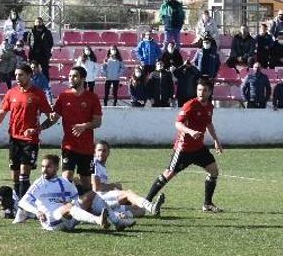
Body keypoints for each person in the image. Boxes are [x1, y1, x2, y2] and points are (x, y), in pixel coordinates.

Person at [144, 77, 224, 213]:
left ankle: (207, 204)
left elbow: (209, 123)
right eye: (199, 90)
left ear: (210, 92)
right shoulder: (190, 105)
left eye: (204, 90)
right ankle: (145, 201)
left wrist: (216, 140)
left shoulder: (210, 106)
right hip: (184, 149)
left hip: (199, 149)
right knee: (168, 174)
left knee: (214, 171)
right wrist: (190, 131)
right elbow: (178, 124)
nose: (201, 93)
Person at [0, 63, 54, 204]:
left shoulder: (38, 93)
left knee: (24, 173)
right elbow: (2, 113)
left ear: (29, 75)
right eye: (16, 75)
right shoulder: (12, 93)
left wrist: (36, 130)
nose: (17, 77)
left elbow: (51, 117)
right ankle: (17, 202)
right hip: (14, 139)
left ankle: (24, 206)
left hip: (30, 140)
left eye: (21, 75)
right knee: (15, 175)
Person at [12, 154, 113, 231]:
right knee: (69, 207)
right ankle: (98, 220)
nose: (44, 170)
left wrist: (73, 203)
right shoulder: (39, 184)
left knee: (91, 195)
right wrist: (37, 212)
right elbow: (23, 202)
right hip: (51, 221)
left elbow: (75, 199)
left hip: (69, 219)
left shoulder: (65, 182)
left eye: (48, 167)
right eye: (42, 167)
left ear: (56, 168)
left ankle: (118, 220)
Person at [49, 65, 103, 188]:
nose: (71, 79)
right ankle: (67, 206)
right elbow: (54, 118)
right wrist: (39, 128)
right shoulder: (63, 96)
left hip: (87, 148)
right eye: (69, 76)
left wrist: (84, 126)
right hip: (69, 146)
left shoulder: (92, 98)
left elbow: (98, 122)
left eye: (74, 76)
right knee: (66, 179)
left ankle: (85, 205)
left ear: (83, 78)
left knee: (86, 183)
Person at [89, 140, 159, 219]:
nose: (101, 153)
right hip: (99, 199)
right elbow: (96, 188)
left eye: (104, 150)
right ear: (94, 151)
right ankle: (150, 206)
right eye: (99, 150)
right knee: (128, 193)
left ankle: (121, 216)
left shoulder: (101, 166)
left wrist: (113, 187)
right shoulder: (94, 163)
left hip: (106, 199)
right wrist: (113, 186)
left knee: (140, 210)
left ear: (109, 152)